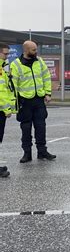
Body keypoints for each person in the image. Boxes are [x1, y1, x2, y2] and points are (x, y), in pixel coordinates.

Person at [10, 41, 55, 163]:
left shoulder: (39, 61)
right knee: (26, 128)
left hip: (39, 99)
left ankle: (42, 151)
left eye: (36, 49)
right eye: (33, 50)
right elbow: (14, 85)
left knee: (41, 127)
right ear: (26, 50)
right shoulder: (16, 65)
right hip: (25, 101)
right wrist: (15, 102)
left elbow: (46, 77)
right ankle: (27, 153)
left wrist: (48, 93)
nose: (36, 52)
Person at [0, 43, 16, 176]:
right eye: (4, 54)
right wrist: (7, 109)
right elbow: (1, 91)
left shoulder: (3, 67)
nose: (6, 57)